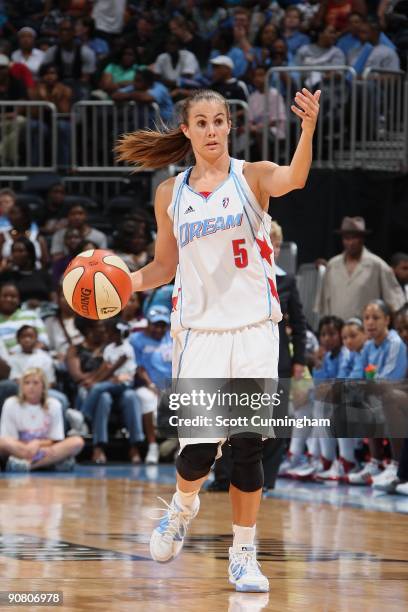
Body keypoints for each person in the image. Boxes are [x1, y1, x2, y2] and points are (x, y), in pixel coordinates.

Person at [115, 86, 320, 590]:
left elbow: (294, 177)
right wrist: (124, 281)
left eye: (219, 121)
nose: (211, 130)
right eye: (201, 122)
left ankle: (244, 554)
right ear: (186, 130)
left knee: (247, 447)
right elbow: (164, 267)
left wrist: (308, 129)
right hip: (200, 333)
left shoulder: (251, 177)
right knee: (199, 453)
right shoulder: (170, 192)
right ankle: (183, 508)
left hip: (254, 330)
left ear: (230, 126)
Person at [346, 300, 407, 489]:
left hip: (394, 393)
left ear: (388, 320)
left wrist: (364, 388)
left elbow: (390, 380)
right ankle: (375, 462)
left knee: (386, 398)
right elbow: (356, 375)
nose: (370, 322)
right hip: (379, 393)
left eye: (376, 317)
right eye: (366, 318)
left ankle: (396, 464)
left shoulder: (396, 343)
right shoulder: (368, 346)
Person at [77, 317, 144, 464]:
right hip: (111, 384)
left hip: (125, 383)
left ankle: (135, 446)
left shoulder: (127, 348)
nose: (107, 335)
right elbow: (104, 368)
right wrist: (93, 380)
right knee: (103, 397)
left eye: (110, 333)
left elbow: (113, 369)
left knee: (130, 396)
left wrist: (98, 382)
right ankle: (99, 446)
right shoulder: (109, 348)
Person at [317, 216, 405, 319]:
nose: (350, 242)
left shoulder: (377, 265)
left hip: (367, 331)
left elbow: (395, 303)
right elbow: (323, 306)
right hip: (338, 330)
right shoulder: (332, 265)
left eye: (354, 237)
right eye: (346, 238)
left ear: (362, 239)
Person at [0, 368, 83, 471]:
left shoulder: (54, 405)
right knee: (2, 443)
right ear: (22, 386)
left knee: (77, 442)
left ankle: (29, 466)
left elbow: (56, 439)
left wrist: (37, 444)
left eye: (35, 383)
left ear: (43, 386)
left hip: (45, 448)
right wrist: (28, 448)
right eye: (27, 383)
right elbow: (8, 438)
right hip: (19, 449)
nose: (31, 387)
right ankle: (50, 463)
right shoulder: (11, 404)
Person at [130, 305, 173, 465]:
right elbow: (138, 367)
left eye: (163, 325)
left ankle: (180, 449)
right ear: (148, 323)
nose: (159, 329)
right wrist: (152, 385)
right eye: (156, 325)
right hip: (147, 385)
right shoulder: (136, 340)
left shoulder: (172, 337)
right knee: (147, 400)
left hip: (171, 385)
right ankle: (152, 446)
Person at [0, 236, 54, 307]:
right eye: (14, 251)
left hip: (44, 313)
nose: (16, 254)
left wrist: (41, 304)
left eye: (20, 251)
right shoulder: (7, 276)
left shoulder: (44, 275)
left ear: (30, 253)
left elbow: (54, 299)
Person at [0, 282, 49, 352]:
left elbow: (44, 341)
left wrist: (25, 355)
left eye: (13, 296)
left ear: (18, 299)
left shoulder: (32, 315)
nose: (8, 299)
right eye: (5, 296)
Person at [0, 201, 48, 269]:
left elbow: (45, 261)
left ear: (25, 216)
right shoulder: (2, 236)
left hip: (34, 275)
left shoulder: (37, 237)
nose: (9, 216)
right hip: (9, 276)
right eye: (10, 213)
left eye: (14, 213)